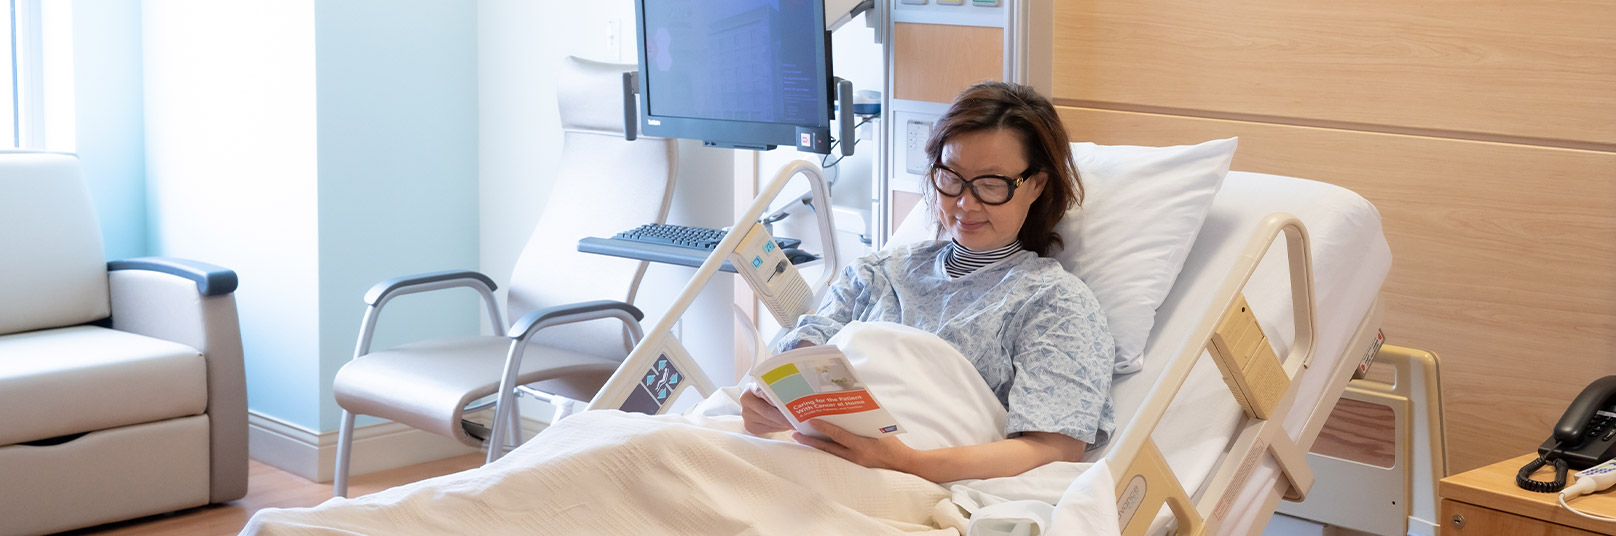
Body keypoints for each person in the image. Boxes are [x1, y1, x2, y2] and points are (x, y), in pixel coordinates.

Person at [740, 81, 1116, 483]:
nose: (964, 204)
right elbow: (807, 349)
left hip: (911, 478)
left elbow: (1053, 447)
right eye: (951, 178)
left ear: (1036, 185)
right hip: (810, 450)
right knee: (671, 450)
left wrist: (906, 462)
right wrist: (773, 402)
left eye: (991, 185)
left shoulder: (1053, 302)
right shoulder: (879, 272)